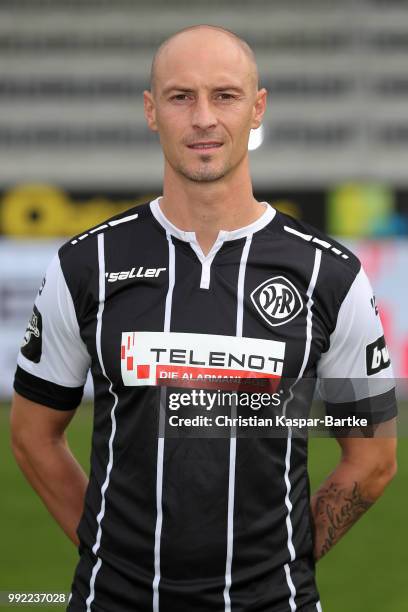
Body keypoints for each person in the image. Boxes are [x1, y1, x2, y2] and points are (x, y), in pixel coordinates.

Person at [11, 25, 397, 612]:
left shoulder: (330, 276)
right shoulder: (85, 264)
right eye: (180, 97)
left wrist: (281, 566)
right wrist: (110, 555)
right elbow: (33, 434)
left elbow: (372, 458)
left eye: (224, 95)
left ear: (257, 107)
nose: (203, 119)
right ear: (150, 111)